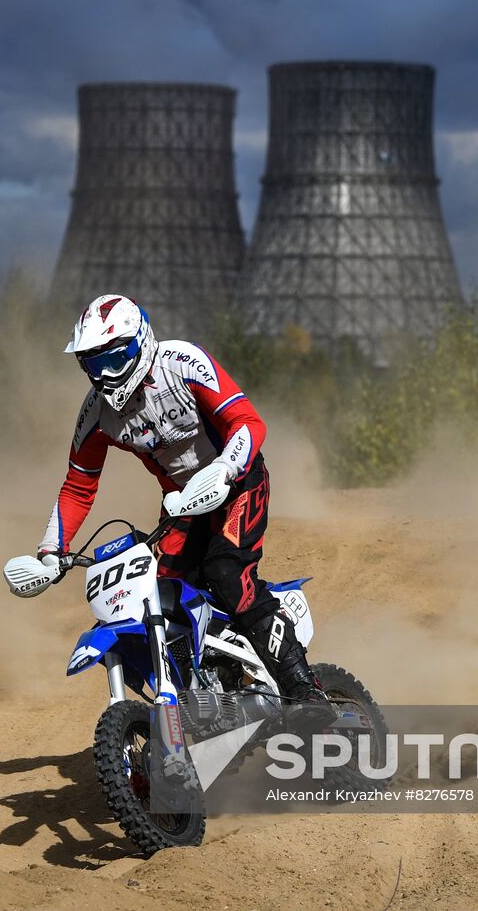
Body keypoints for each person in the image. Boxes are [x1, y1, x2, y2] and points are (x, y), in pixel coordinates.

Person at [37, 294, 324, 703]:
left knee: (227, 573)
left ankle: (305, 692)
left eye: (113, 360)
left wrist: (225, 469)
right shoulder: (96, 414)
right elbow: (79, 485)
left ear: (141, 341)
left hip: (238, 480)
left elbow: (247, 421)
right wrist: (51, 550)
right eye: (92, 365)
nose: (104, 376)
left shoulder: (183, 362)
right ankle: (211, 693)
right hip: (182, 502)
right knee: (161, 596)